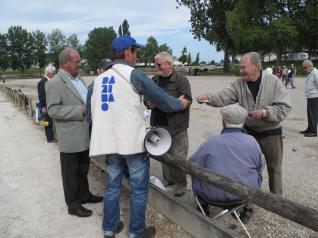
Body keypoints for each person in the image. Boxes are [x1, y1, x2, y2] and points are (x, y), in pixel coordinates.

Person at [88, 36, 190, 238]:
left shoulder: (96, 81)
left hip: (109, 143)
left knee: (112, 187)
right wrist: (180, 103)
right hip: (132, 143)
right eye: (136, 52)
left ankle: (109, 228)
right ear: (128, 52)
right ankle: (135, 232)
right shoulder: (134, 75)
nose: (137, 56)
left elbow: (89, 117)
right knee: (139, 190)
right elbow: (164, 101)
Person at [196, 52, 292, 195]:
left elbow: (285, 108)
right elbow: (223, 97)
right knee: (246, 168)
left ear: (256, 66)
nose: (240, 71)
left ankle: (277, 202)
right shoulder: (238, 83)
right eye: (240, 68)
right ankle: (247, 203)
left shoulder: (274, 82)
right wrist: (208, 98)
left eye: (243, 67)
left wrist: (265, 113)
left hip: (271, 132)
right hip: (248, 133)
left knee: (274, 169)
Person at [45, 48, 103, 218]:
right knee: (70, 172)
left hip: (85, 134)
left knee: (83, 168)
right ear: (65, 63)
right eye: (77, 61)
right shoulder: (53, 83)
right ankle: (73, 204)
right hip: (70, 136)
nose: (80, 64)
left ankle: (84, 195)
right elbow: (53, 110)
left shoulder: (79, 79)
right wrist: (81, 110)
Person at [191, 104, 264, 217]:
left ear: (222, 122)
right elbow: (260, 166)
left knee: (196, 172)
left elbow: (192, 163)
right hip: (243, 195)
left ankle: (203, 206)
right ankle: (248, 208)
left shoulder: (212, 142)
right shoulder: (253, 142)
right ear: (243, 122)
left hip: (211, 196)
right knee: (258, 173)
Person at [145, 51, 192, 197]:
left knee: (178, 157)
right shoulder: (154, 80)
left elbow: (188, 100)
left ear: (169, 64)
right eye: (155, 64)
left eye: (159, 64)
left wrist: (164, 103)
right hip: (159, 125)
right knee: (164, 154)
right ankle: (169, 180)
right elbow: (147, 100)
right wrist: (150, 102)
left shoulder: (181, 80)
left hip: (177, 126)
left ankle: (181, 184)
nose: (156, 66)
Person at [37, 65, 57, 142]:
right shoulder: (43, 82)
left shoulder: (47, 81)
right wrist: (43, 106)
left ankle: (52, 136)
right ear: (48, 73)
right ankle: (50, 138)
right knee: (48, 121)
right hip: (46, 105)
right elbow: (41, 95)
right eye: (53, 73)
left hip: (49, 104)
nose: (54, 74)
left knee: (51, 120)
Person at [300, 60, 318, 137]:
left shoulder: (315, 73)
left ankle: (313, 131)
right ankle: (309, 128)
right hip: (310, 97)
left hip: (314, 97)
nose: (304, 69)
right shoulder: (310, 73)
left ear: (310, 66)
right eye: (303, 68)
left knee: (313, 114)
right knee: (309, 114)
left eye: (305, 67)